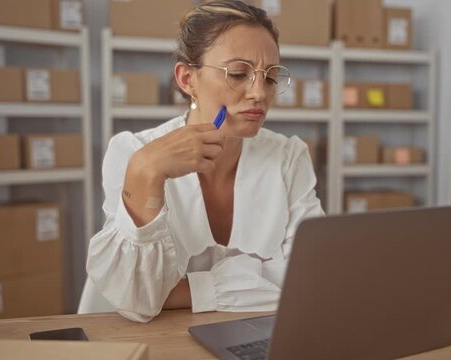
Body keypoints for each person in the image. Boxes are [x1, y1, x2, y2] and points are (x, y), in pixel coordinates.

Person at [83, 0, 324, 323]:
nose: (259, 93)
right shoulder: (134, 153)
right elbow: (136, 297)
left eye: (270, 78)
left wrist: (180, 292)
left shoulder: (288, 157)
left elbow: (309, 282)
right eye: (238, 73)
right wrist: (147, 172)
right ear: (186, 79)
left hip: (261, 338)